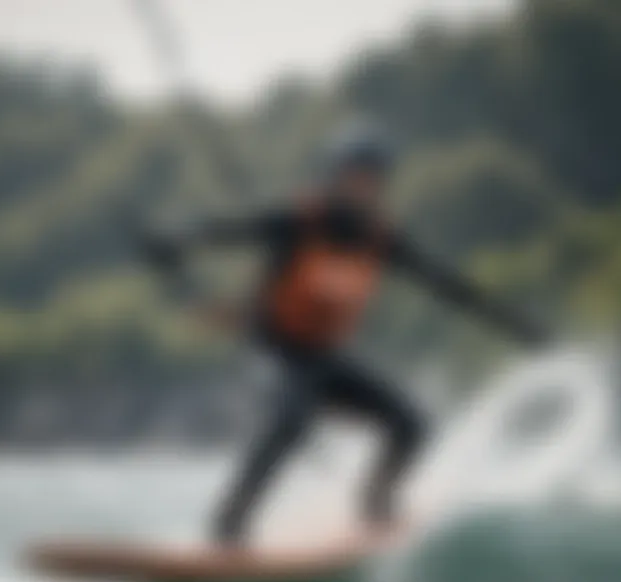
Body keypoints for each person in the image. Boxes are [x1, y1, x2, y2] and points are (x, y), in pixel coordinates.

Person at [139, 125, 546, 545]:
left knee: (411, 425)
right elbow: (224, 230)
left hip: (324, 358)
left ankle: (375, 503)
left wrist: (515, 323)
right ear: (335, 177)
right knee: (291, 420)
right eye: (353, 175)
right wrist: (175, 239)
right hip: (272, 353)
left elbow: (446, 286)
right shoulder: (298, 221)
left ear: (381, 186)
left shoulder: (381, 240)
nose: (361, 186)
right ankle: (230, 521)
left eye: (371, 178)